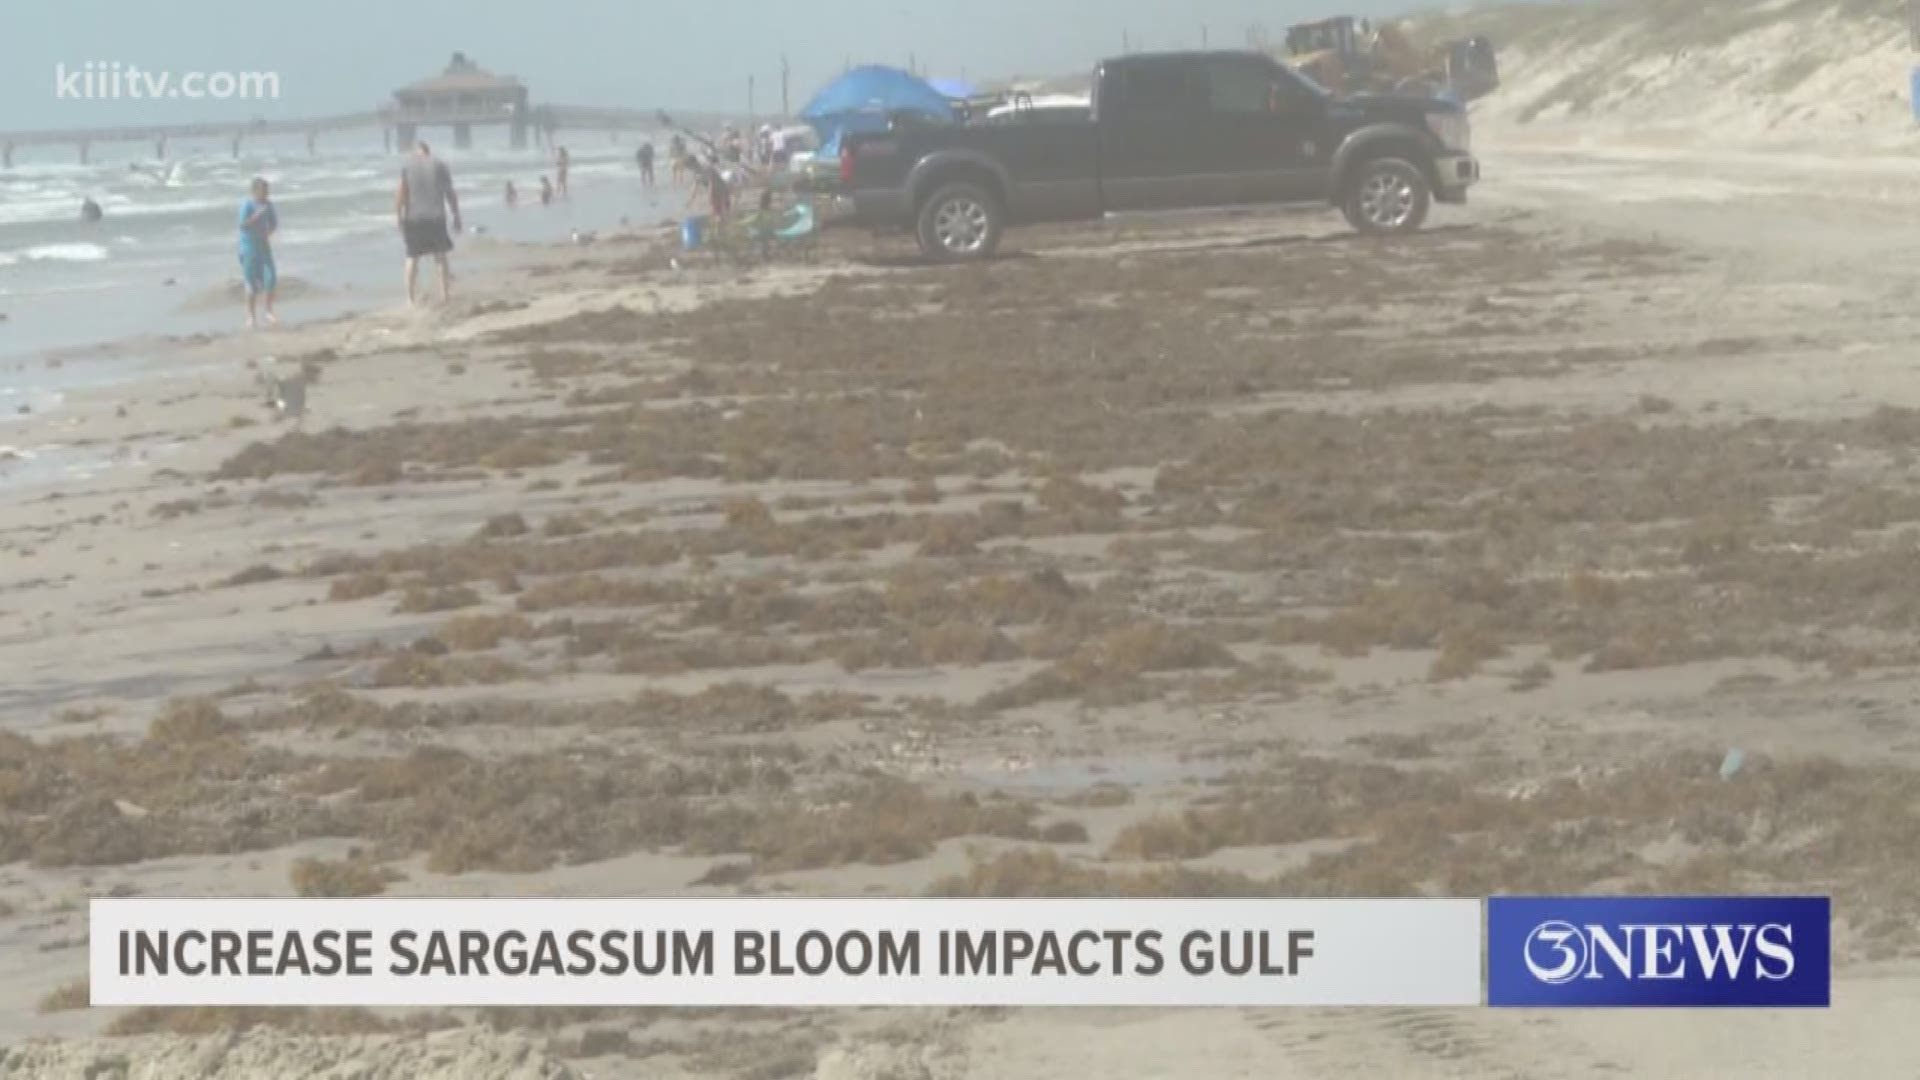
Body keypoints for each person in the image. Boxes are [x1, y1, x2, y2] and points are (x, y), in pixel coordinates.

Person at [394, 140, 460, 307]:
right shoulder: (439, 165)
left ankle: (410, 298)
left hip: (413, 217)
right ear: (428, 151)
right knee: (440, 256)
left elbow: (401, 194)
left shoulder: (407, 166)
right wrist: (456, 214)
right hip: (436, 216)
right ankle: (445, 295)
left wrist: (398, 216)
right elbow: (450, 193)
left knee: (412, 257)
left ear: (416, 152)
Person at [237, 177, 278, 328]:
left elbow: (274, 223)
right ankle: (251, 316)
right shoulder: (247, 205)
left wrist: (268, 232)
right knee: (251, 282)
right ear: (255, 191)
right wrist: (255, 217)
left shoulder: (268, 205)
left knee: (271, 277)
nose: (266, 194)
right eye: (263, 191)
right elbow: (242, 225)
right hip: (248, 246)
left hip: (263, 245)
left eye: (267, 191)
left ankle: (269, 311)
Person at [687, 155, 731, 223]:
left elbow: (712, 182)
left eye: (690, 166)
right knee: (716, 211)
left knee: (723, 208)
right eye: (689, 167)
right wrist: (691, 199)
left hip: (720, 188)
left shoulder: (706, 168)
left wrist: (710, 194)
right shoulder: (696, 172)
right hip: (714, 189)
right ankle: (720, 222)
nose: (690, 168)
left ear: (695, 162)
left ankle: (725, 221)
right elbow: (695, 186)